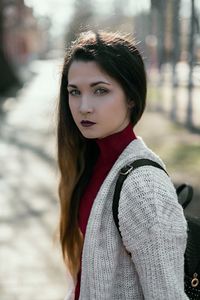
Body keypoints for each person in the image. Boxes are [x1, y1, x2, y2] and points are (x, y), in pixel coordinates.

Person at [57, 30, 188, 299]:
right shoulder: (91, 163)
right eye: (74, 92)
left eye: (100, 90)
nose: (83, 106)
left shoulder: (144, 188)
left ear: (131, 96)